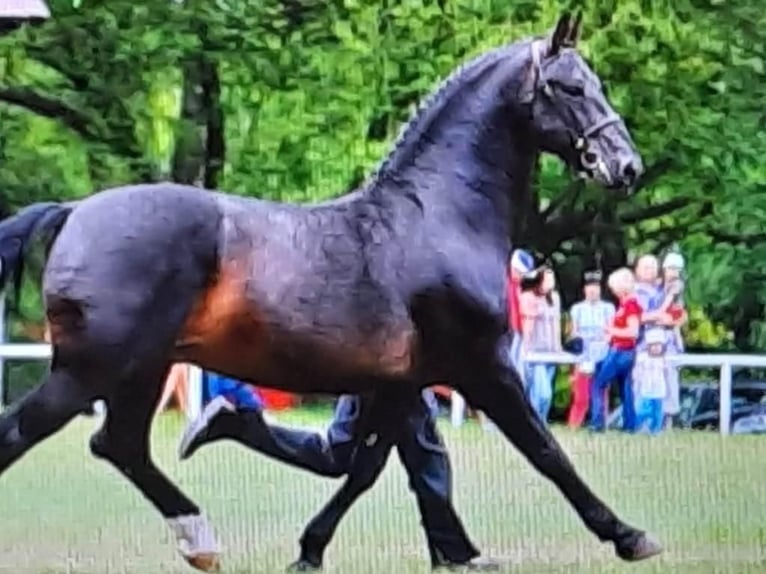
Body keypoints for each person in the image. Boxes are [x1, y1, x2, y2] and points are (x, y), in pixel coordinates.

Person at [178, 389, 498, 571]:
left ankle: (314, 545)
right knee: (340, 458)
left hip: (395, 367)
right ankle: (236, 424)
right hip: (382, 365)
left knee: (374, 468)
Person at [478, 248, 534, 430]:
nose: (521, 276)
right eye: (519, 272)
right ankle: (491, 421)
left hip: (513, 335)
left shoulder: (516, 286)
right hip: (501, 336)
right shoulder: (500, 283)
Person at [589, 268, 642, 433]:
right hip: (621, 350)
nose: (612, 291)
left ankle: (597, 424)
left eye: (614, 287)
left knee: (598, 384)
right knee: (626, 389)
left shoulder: (631, 306)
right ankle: (629, 425)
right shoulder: (625, 305)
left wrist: (612, 330)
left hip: (621, 351)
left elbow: (633, 332)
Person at [567, 270, 615, 428]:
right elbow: (574, 332)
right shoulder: (577, 309)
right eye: (589, 287)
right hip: (584, 354)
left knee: (601, 392)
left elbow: (610, 331)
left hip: (602, 353)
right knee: (581, 395)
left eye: (596, 287)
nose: (592, 290)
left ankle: (601, 424)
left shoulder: (608, 308)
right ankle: (574, 425)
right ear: (584, 289)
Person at [519, 267, 562, 423]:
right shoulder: (527, 297)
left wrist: (558, 347)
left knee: (546, 390)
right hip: (535, 350)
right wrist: (526, 347)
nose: (550, 283)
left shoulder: (554, 298)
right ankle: (533, 421)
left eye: (552, 280)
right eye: (547, 279)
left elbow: (556, 322)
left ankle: (541, 421)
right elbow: (526, 323)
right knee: (542, 392)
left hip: (550, 350)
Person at [658, 252, 687, 428]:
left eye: (676, 269)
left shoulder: (676, 285)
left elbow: (667, 306)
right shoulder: (660, 285)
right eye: (670, 268)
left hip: (669, 335)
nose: (673, 272)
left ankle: (668, 418)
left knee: (670, 377)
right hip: (659, 332)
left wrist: (657, 313)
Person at [633, 328, 668, 435]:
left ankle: (655, 430)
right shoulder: (642, 357)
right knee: (641, 410)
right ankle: (637, 427)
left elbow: (666, 373)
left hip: (659, 388)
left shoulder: (664, 359)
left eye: (658, 345)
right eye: (653, 345)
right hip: (645, 387)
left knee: (657, 411)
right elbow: (637, 372)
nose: (656, 348)